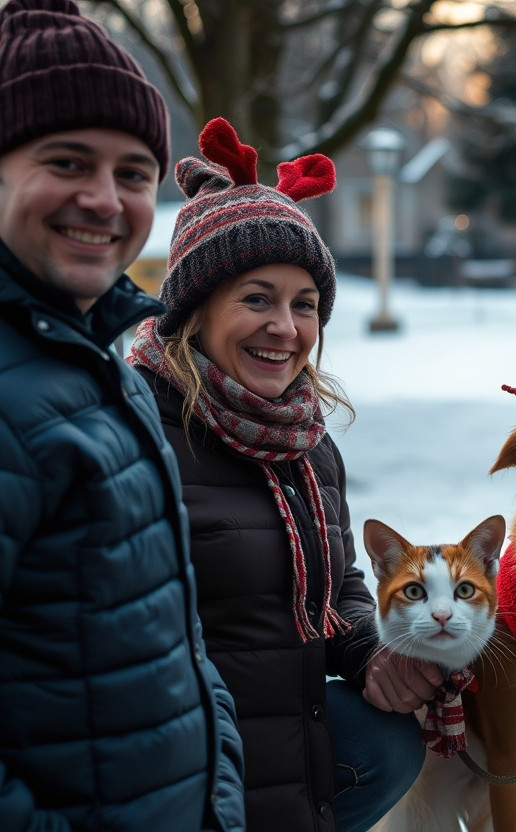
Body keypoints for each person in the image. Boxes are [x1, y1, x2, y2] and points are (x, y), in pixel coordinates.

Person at [127, 117, 431, 832]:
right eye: (256, 299)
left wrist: (371, 653)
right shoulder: (139, 431)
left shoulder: (305, 441)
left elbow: (338, 589)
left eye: (305, 305)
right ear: (194, 312)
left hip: (292, 774)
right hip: (185, 787)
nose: (286, 329)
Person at [0, 1, 247, 828]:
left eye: (134, 173)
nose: (105, 200)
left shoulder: (100, 363)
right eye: (67, 162)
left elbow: (171, 633)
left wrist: (217, 792)